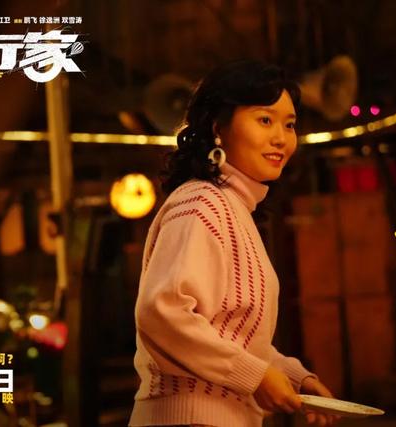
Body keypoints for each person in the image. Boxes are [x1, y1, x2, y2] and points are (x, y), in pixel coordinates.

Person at [129, 60, 338, 427]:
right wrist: (254, 376)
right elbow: (162, 312)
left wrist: (294, 378)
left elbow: (233, 339)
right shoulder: (201, 203)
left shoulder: (232, 208)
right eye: (264, 120)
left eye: (289, 125)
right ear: (218, 128)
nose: (281, 138)